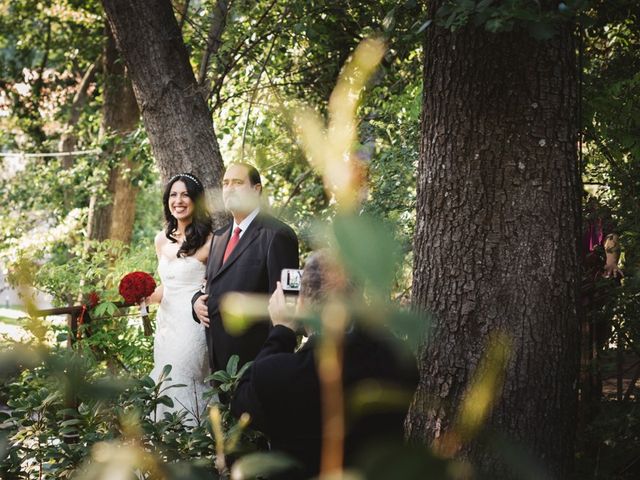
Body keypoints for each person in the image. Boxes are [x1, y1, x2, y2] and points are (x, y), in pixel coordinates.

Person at [230, 250, 418, 478]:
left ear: (303, 303)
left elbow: (241, 404)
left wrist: (282, 330)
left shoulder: (275, 374)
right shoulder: (398, 361)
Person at [192, 163, 299, 375]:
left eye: (238, 183)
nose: (229, 188)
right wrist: (195, 301)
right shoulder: (220, 236)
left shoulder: (279, 234)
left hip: (257, 365)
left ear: (256, 189)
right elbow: (211, 284)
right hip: (219, 367)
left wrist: (273, 362)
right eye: (225, 183)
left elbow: (289, 300)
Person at [145, 173, 212, 425]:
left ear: (196, 200)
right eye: (173, 194)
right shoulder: (161, 240)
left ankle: (196, 447)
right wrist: (143, 296)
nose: (178, 200)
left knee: (184, 379)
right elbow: (168, 286)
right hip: (166, 326)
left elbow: (213, 285)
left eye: (185, 194)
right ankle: (166, 450)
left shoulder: (210, 241)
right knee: (164, 379)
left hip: (192, 323)